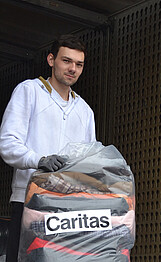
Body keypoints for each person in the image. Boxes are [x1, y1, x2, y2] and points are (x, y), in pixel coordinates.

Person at [0, 34, 96, 262]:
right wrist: (39, 160)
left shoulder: (85, 111)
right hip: (29, 199)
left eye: (79, 64)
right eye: (66, 61)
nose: (72, 68)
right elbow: (8, 143)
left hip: (67, 207)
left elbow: (89, 162)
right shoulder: (29, 90)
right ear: (51, 60)